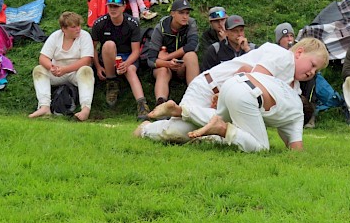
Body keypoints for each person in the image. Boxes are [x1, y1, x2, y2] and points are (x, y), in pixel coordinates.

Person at [136, 38, 329, 144]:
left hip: (227, 100)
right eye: (312, 65)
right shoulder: (282, 56)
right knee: (179, 132)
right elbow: (248, 75)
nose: (312, 72)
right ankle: (145, 129)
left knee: (196, 135)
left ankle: (180, 116)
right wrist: (221, 98)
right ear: (299, 52)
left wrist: (290, 143)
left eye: (316, 71)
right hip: (209, 89)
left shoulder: (292, 86)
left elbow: (284, 120)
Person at [186, 73, 308, 152]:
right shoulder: (298, 114)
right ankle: (222, 129)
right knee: (262, 148)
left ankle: (181, 110)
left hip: (232, 81)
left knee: (219, 117)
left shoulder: (284, 87)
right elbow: (296, 150)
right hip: (248, 95)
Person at [91, 0, 151, 121]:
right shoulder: (99, 23)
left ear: (123, 7)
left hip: (128, 56)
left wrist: (127, 63)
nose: (113, 9)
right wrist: (97, 67)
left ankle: (142, 104)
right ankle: (111, 81)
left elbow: (136, 51)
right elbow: (93, 48)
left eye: (116, 6)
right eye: (110, 6)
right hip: (108, 56)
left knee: (130, 70)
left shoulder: (132, 23)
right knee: (108, 45)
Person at [29, 12, 95, 121]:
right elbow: (43, 58)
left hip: (76, 73)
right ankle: (44, 106)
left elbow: (86, 60)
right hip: (57, 72)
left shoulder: (85, 36)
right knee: (39, 70)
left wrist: (66, 70)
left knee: (86, 70)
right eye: (74, 27)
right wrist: (51, 67)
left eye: (79, 26)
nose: (78, 29)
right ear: (63, 29)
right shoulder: (55, 36)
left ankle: (85, 109)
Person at [147, 0, 200, 105]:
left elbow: (192, 46)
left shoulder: (191, 23)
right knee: (162, 70)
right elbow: (151, 60)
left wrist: (167, 57)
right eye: (181, 13)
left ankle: (195, 99)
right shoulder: (160, 28)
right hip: (165, 67)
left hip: (182, 66)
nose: (185, 16)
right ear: (172, 13)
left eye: (187, 13)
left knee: (191, 55)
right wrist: (167, 63)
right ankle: (161, 105)